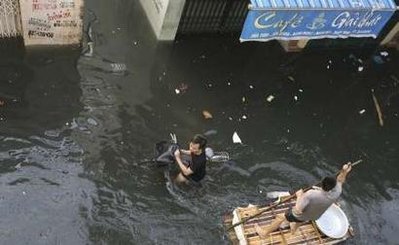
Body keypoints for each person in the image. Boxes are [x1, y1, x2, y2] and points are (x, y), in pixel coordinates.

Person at [255, 163, 353, 237]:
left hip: (302, 214)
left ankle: (264, 233)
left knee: (281, 217)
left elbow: (298, 210)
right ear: (333, 187)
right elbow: (340, 180)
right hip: (315, 216)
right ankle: (293, 230)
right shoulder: (336, 192)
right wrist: (344, 171)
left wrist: (299, 195)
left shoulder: (311, 194)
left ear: (322, 183)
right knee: (301, 219)